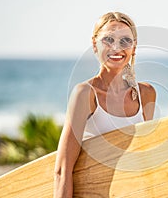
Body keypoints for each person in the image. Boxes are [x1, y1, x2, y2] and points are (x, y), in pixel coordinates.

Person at [54, 12, 156, 197]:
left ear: (134, 47)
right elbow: (62, 170)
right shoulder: (85, 94)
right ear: (95, 44)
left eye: (125, 41)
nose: (117, 48)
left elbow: (144, 159)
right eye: (108, 39)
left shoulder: (146, 94)